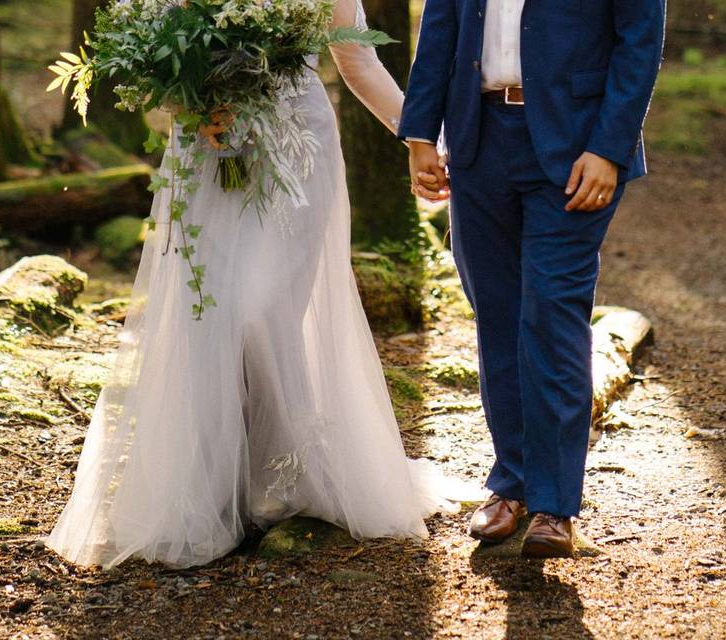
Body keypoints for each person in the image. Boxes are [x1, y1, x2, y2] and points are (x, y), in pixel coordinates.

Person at [45, 0, 471, 570]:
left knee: (262, 310)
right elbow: (153, 52)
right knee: (212, 309)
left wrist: (424, 139)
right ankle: (212, 488)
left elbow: (359, 61)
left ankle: (284, 473)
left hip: (297, 149)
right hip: (207, 149)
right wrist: (192, 104)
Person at [399, 0, 665, 557]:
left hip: (576, 145)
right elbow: (442, 27)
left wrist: (609, 148)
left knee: (551, 313)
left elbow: (639, 39)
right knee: (496, 315)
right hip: (476, 139)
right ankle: (511, 485)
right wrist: (421, 133)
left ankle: (554, 504)